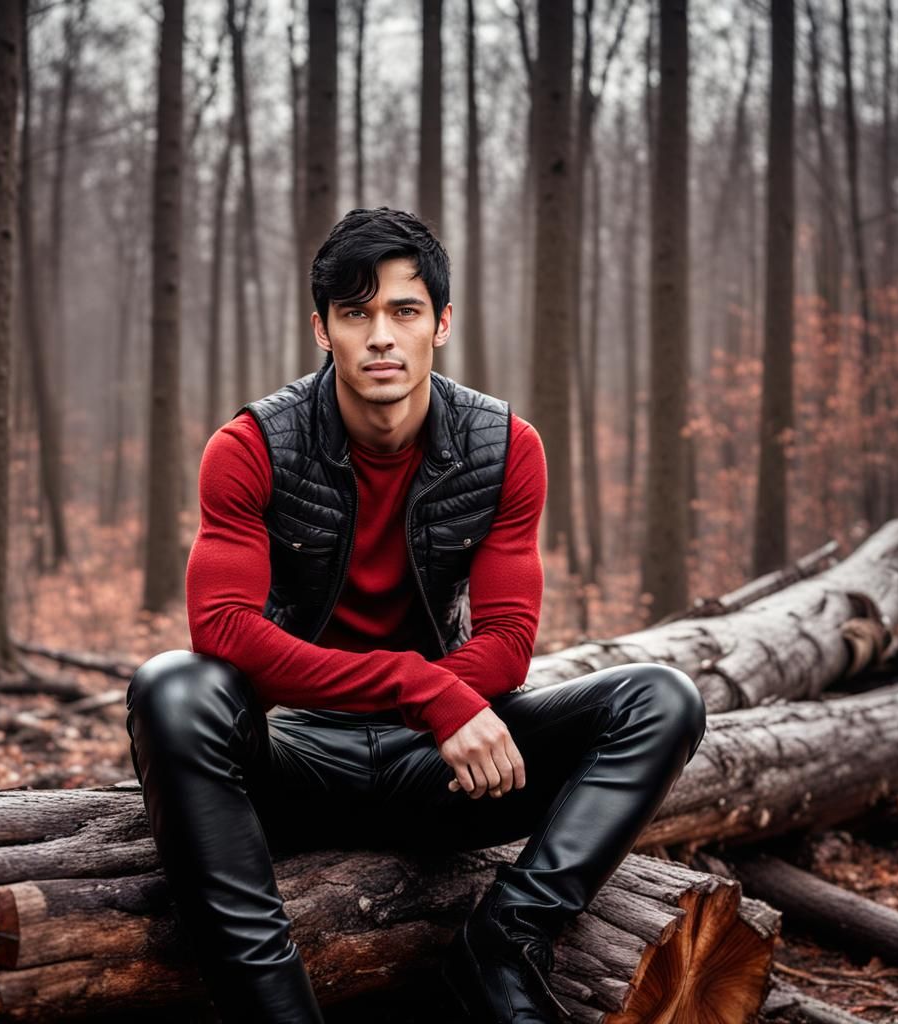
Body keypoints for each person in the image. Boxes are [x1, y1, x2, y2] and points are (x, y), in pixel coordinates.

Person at [125, 207, 707, 1024]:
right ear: (322, 329)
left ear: (441, 322)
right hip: (295, 762)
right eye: (355, 313)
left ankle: (502, 947)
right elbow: (221, 630)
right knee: (173, 687)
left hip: (443, 772)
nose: (381, 337)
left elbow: (508, 643)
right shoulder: (252, 446)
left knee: (662, 699)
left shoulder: (506, 447)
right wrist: (422, 690)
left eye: (404, 310)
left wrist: (440, 707)